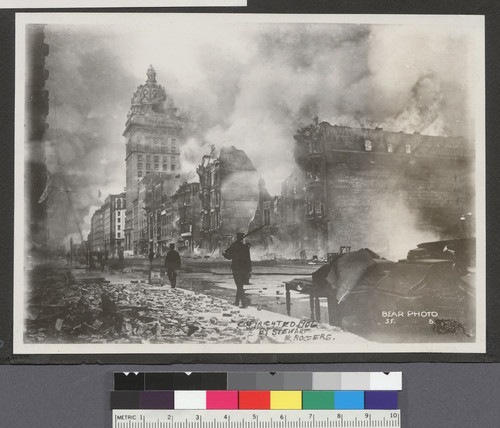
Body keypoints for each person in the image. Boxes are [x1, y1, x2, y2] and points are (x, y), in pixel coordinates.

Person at [223, 232, 252, 308]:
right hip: (244, 269)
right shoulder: (245, 247)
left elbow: (229, 256)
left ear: (237, 237)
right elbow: (248, 259)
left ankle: (244, 304)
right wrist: (249, 270)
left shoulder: (234, 246)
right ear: (243, 238)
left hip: (236, 268)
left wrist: (224, 255)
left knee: (239, 286)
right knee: (240, 285)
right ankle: (236, 302)